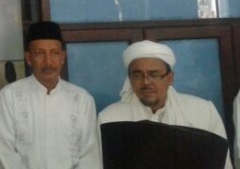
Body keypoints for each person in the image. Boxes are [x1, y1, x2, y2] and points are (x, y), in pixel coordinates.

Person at [98, 40, 232, 169]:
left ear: (170, 78)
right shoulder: (110, 118)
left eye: (154, 74)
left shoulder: (203, 112)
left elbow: (222, 165)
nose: (146, 82)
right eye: (137, 75)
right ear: (130, 80)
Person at [0, 21, 102, 169]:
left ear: (62, 57)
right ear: (29, 58)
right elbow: (4, 151)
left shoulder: (82, 99)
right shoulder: (10, 96)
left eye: (54, 53)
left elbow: (90, 154)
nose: (48, 62)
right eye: (39, 53)